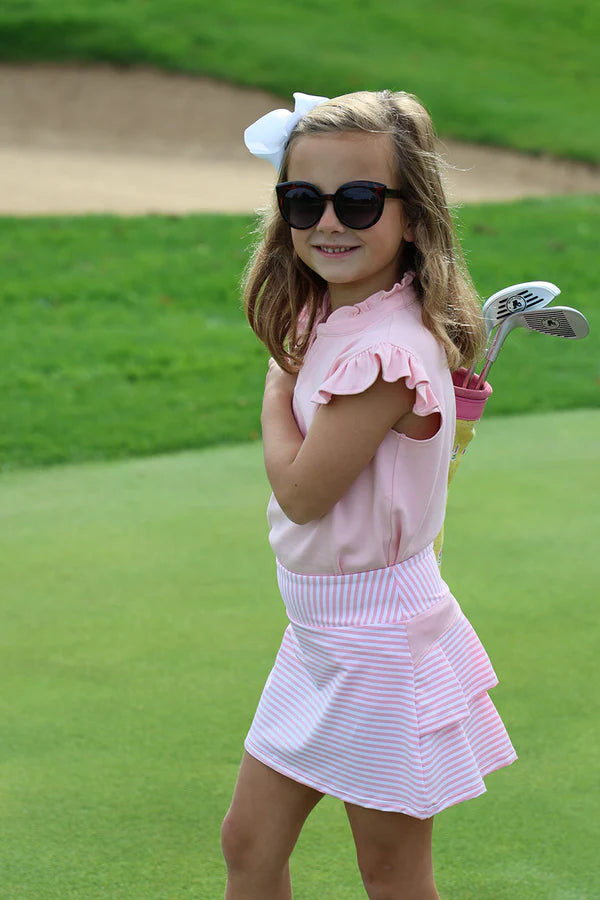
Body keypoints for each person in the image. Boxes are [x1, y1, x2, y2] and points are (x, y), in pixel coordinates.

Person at [221, 90, 517, 900]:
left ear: (412, 216)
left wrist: (273, 392)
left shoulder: (386, 353)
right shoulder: (337, 315)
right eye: (303, 200)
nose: (328, 222)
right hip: (319, 635)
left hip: (380, 644)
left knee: (391, 877)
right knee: (249, 843)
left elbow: (303, 494)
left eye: (358, 201)